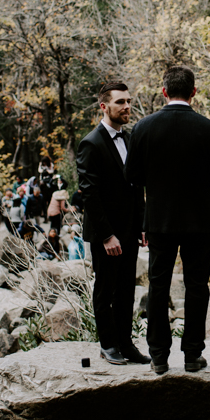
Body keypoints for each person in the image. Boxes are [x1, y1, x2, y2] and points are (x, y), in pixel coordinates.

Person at [125, 66, 210, 374]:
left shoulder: (144, 128)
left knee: (158, 286)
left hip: (159, 220)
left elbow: (131, 175)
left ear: (163, 92)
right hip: (199, 220)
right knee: (197, 286)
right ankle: (192, 355)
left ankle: (159, 356)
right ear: (194, 92)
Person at [77, 81, 149, 366]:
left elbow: (137, 186)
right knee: (105, 290)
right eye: (120, 102)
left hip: (130, 230)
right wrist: (107, 236)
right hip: (105, 234)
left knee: (127, 290)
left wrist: (142, 224)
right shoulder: (90, 143)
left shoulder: (131, 139)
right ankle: (108, 345)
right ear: (103, 106)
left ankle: (125, 343)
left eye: (128, 101)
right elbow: (89, 194)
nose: (127, 106)